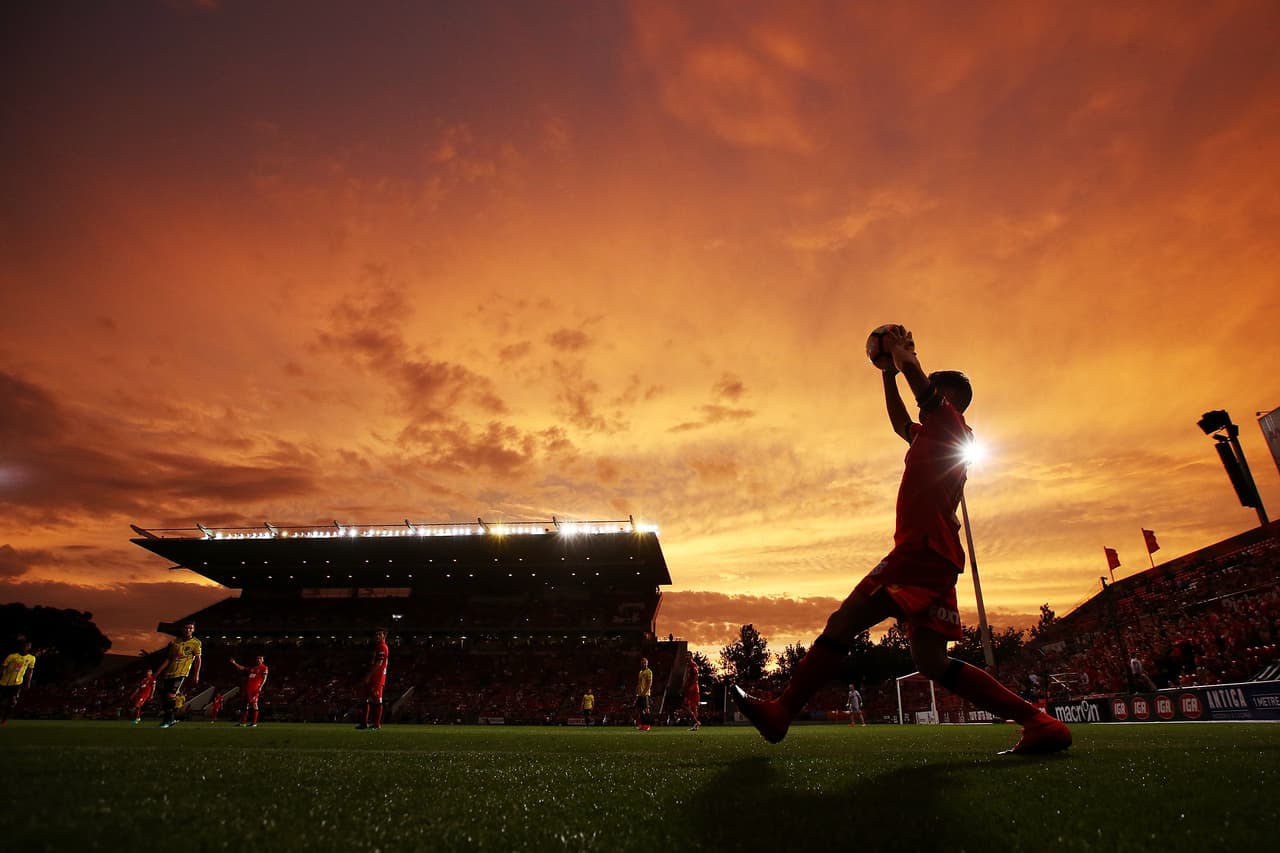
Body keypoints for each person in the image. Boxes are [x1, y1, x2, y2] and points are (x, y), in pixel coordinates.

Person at [731, 326, 1071, 755]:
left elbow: (917, 378)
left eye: (932, 389)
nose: (923, 394)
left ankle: (781, 712)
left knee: (842, 623)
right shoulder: (932, 434)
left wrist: (903, 355)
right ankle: (1040, 722)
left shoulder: (948, 422)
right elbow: (898, 423)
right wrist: (888, 375)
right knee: (931, 661)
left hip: (919, 551)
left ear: (947, 398)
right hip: (938, 556)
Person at [155, 621, 201, 729]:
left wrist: (196, 674)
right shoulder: (176, 641)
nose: (188, 630)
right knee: (165, 698)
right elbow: (169, 658)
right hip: (169, 673)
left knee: (170, 696)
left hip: (182, 673)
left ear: (193, 630)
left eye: (190, 628)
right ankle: (169, 719)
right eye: (186, 628)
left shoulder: (196, 643)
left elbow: (198, 659)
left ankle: (169, 720)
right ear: (182, 629)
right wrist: (158, 671)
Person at [356, 628, 389, 730]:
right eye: (376, 634)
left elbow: (379, 663)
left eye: (380, 634)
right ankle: (364, 723)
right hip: (373, 677)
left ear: (384, 636)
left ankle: (377, 724)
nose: (377, 636)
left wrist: (369, 676)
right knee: (364, 698)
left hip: (377, 677)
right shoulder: (378, 646)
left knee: (377, 700)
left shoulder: (382, 646)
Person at [0, 636, 37, 725]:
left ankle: (4, 719)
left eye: (29, 645)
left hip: (17, 683)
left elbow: (30, 671)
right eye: (26, 645)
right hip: (4, 682)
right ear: (22, 646)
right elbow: (3, 666)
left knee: (13, 702)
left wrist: (28, 682)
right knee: (2, 702)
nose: (27, 647)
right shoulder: (12, 656)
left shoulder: (31, 658)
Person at [231, 655, 269, 727]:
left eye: (260, 658)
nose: (259, 659)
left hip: (255, 689)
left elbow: (264, 678)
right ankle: (243, 723)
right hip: (248, 688)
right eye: (257, 658)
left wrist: (260, 687)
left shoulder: (264, 667)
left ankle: (254, 723)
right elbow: (243, 668)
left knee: (254, 704)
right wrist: (234, 663)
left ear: (263, 660)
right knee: (245, 704)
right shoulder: (253, 668)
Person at [682, 653, 701, 731]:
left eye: (688, 655)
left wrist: (693, 686)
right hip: (689, 688)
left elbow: (696, 675)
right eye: (686, 655)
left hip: (693, 689)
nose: (687, 657)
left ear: (691, 657)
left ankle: (696, 723)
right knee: (693, 708)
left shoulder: (693, 664)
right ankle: (696, 725)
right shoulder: (688, 665)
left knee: (686, 705)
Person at [635, 657, 653, 731]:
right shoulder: (640, 672)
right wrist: (637, 692)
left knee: (646, 709)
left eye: (644, 663)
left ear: (647, 663)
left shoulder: (649, 672)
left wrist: (644, 692)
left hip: (645, 694)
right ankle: (642, 725)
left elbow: (649, 683)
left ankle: (647, 725)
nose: (643, 664)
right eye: (642, 663)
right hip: (640, 694)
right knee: (640, 709)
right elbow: (639, 683)